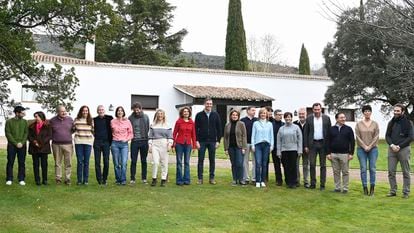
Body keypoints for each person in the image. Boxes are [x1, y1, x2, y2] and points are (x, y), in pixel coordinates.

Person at [385, 103, 413, 198]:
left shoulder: (408, 123)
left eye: (398, 111)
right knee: (391, 171)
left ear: (403, 111)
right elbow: (387, 136)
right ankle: (393, 191)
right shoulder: (391, 122)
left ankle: (406, 192)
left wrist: (399, 146)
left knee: (406, 172)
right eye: (394, 110)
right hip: (392, 149)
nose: (395, 112)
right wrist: (392, 145)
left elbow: (411, 137)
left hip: (404, 149)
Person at [303, 103, 331, 190]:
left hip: (323, 144)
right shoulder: (309, 118)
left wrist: (329, 147)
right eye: (315, 109)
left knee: (323, 165)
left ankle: (322, 185)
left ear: (321, 109)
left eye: (318, 109)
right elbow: (306, 133)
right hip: (312, 144)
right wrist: (306, 146)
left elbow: (329, 133)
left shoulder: (326, 118)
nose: (317, 111)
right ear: (312, 110)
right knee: (312, 164)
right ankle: (313, 183)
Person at [195, 97, 222, 185]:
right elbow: (195, 129)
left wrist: (218, 141)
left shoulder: (216, 115)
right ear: (204, 104)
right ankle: (200, 178)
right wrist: (196, 141)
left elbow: (219, 128)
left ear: (212, 105)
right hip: (201, 141)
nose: (209, 105)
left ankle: (212, 178)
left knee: (212, 160)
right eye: (207, 103)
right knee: (200, 160)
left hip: (212, 141)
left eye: (210, 104)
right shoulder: (199, 115)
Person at [327, 112, 355, 194]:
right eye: (341, 117)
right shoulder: (331, 129)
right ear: (336, 119)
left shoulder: (348, 129)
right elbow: (327, 142)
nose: (343, 119)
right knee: (336, 172)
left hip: (345, 154)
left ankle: (345, 188)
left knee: (345, 172)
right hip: (333, 154)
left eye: (344, 117)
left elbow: (352, 142)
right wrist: (328, 153)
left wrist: (351, 153)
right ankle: (337, 187)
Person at [355, 105, 379, 196]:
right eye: (365, 111)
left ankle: (372, 188)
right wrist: (364, 146)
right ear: (363, 113)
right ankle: (365, 188)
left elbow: (376, 136)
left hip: (373, 149)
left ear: (371, 112)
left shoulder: (375, 124)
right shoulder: (358, 124)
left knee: (372, 168)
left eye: (369, 111)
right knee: (363, 168)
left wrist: (370, 146)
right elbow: (357, 137)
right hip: (361, 149)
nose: (367, 113)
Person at [277, 112, 303, 188]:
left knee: (293, 167)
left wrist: (300, 150)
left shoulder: (296, 127)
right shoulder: (281, 129)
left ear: (291, 118)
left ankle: (294, 182)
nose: (288, 118)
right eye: (286, 117)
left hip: (294, 150)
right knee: (286, 166)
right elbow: (279, 141)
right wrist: (279, 151)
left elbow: (300, 139)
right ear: (284, 118)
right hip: (284, 150)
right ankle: (288, 182)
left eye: (289, 117)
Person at [148, 109, 173, 187]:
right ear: (156, 115)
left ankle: (163, 179)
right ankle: (154, 179)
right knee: (155, 162)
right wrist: (150, 145)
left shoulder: (167, 125)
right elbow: (150, 137)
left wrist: (169, 144)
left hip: (164, 144)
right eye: (158, 114)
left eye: (161, 114)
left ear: (163, 115)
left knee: (164, 163)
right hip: (155, 145)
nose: (160, 115)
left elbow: (170, 137)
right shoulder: (152, 125)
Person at [50, 105, 74, 185]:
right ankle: (58, 178)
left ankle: (67, 178)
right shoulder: (52, 120)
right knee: (57, 163)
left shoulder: (70, 120)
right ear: (57, 112)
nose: (64, 112)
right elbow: (50, 132)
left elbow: (73, 130)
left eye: (65, 111)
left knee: (68, 163)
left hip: (68, 144)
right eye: (62, 111)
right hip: (56, 144)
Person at [173, 106, 197, 186]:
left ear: (189, 113)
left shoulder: (192, 122)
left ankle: (187, 180)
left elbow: (193, 135)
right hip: (179, 144)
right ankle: (179, 180)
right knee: (179, 162)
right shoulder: (178, 121)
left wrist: (194, 146)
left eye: (187, 111)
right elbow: (174, 133)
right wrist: (173, 144)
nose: (186, 113)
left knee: (187, 162)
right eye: (184, 111)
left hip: (188, 145)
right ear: (182, 113)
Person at [5, 106, 28, 186]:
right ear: (17, 113)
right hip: (12, 145)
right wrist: (15, 143)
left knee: (22, 162)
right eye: (22, 113)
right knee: (10, 162)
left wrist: (22, 142)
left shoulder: (25, 122)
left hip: (22, 145)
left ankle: (21, 179)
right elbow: (8, 133)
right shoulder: (9, 122)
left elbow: (26, 133)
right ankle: (9, 178)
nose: (24, 114)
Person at [224, 109, 248, 186]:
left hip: (239, 147)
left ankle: (241, 179)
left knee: (240, 163)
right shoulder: (227, 125)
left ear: (238, 116)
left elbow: (244, 136)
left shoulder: (241, 124)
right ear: (230, 116)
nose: (234, 116)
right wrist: (226, 149)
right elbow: (225, 138)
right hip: (230, 147)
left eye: (236, 115)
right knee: (233, 164)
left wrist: (244, 147)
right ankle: (235, 179)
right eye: (233, 115)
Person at [251, 107, 274, 188]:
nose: (263, 115)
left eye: (264, 113)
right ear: (259, 114)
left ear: (266, 114)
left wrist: (272, 145)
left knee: (264, 164)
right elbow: (253, 135)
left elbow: (271, 136)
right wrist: (253, 145)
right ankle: (257, 181)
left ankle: (262, 180)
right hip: (258, 145)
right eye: (261, 113)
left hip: (266, 145)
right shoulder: (256, 123)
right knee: (258, 163)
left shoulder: (270, 124)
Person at [111, 106, 133, 185]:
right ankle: (118, 179)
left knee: (123, 163)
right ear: (116, 112)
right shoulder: (112, 121)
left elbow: (131, 133)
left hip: (124, 144)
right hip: (115, 144)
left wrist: (126, 139)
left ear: (123, 112)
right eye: (118, 111)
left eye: (121, 111)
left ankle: (123, 180)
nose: (120, 112)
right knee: (116, 163)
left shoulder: (127, 121)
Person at [28, 111, 52, 186]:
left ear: (41, 117)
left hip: (44, 148)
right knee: (36, 164)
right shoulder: (31, 126)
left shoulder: (48, 126)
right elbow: (29, 136)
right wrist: (34, 142)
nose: (36, 118)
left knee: (44, 164)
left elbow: (49, 136)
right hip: (34, 148)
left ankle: (45, 180)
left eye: (37, 116)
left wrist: (41, 143)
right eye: (35, 116)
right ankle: (37, 180)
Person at [129, 102, 150, 184]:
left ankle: (144, 178)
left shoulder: (146, 117)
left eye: (138, 110)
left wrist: (144, 137)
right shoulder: (130, 118)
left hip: (144, 141)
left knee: (143, 160)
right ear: (133, 110)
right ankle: (132, 178)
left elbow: (147, 128)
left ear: (141, 109)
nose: (136, 111)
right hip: (134, 141)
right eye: (135, 110)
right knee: (133, 160)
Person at [73, 105, 94, 185]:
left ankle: (85, 180)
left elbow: (94, 131)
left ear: (88, 112)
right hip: (78, 142)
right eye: (83, 110)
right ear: (81, 111)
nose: (85, 112)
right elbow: (73, 129)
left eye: (86, 110)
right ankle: (79, 180)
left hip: (88, 143)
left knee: (86, 162)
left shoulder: (91, 120)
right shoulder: (76, 120)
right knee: (80, 161)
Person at [93, 105, 113, 185]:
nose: (101, 111)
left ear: (104, 111)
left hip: (106, 142)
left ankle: (104, 178)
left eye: (102, 110)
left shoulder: (109, 118)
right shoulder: (94, 120)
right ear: (97, 111)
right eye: (99, 110)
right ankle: (99, 179)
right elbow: (91, 129)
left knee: (106, 161)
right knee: (97, 162)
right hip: (97, 142)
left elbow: (116, 123)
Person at [240, 106, 257, 184]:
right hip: (245, 143)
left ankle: (254, 178)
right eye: (253, 110)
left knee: (255, 161)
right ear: (248, 111)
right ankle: (246, 178)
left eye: (255, 110)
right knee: (245, 161)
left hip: (255, 144)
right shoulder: (242, 121)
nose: (254, 112)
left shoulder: (257, 120)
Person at [293, 108, 309, 188]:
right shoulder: (294, 124)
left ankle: (306, 181)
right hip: (296, 148)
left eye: (303, 114)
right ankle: (297, 181)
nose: (301, 115)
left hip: (306, 148)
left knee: (306, 165)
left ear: (306, 114)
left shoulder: (309, 123)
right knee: (296, 165)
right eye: (300, 114)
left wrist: (308, 146)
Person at [271, 109, 284, 186]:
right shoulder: (271, 125)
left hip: (284, 148)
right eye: (279, 115)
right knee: (276, 165)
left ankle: (288, 179)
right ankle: (279, 180)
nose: (280, 116)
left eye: (281, 115)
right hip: (275, 148)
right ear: (275, 115)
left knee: (285, 164)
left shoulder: (284, 124)